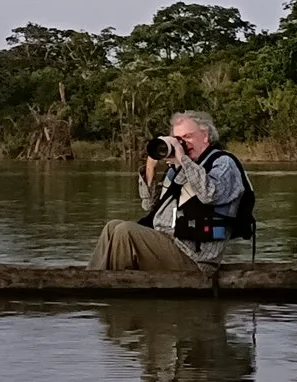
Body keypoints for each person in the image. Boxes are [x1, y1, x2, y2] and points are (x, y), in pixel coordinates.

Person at [90, 110, 254, 271]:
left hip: (195, 257)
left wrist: (182, 159)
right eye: (178, 139)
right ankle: (92, 279)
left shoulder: (223, 163)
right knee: (113, 227)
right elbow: (149, 206)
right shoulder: (177, 169)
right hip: (167, 243)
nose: (182, 144)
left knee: (125, 232)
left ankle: (113, 288)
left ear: (205, 136)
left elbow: (209, 194)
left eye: (187, 137)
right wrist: (151, 166)